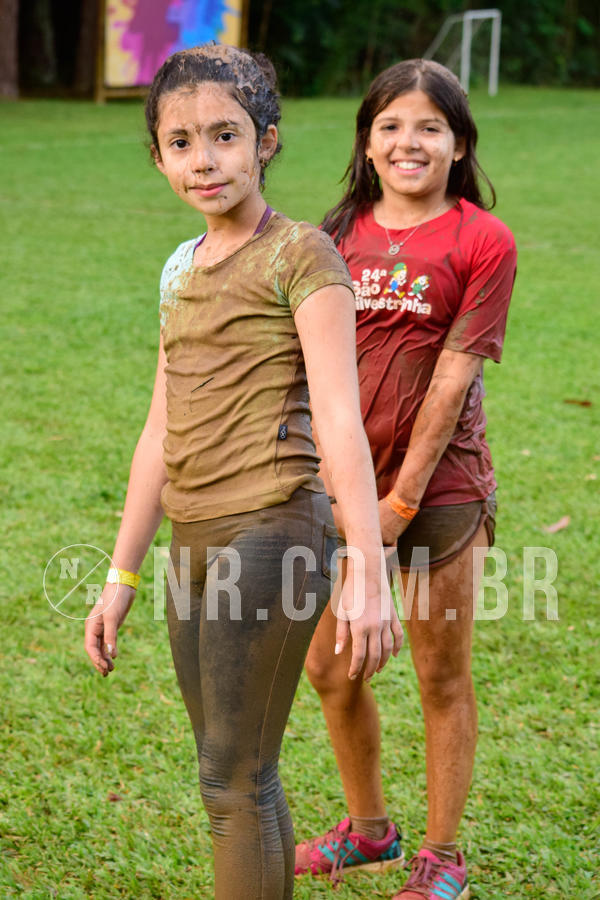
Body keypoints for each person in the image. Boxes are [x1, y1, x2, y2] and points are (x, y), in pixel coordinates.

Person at [83, 44, 403, 900]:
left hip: (273, 526)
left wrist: (367, 570)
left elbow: (341, 420)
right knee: (234, 771)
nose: (204, 159)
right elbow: (160, 424)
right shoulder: (180, 269)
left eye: (225, 135)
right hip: (192, 532)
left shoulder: (304, 257)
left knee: (234, 774)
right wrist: (122, 572)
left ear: (265, 140)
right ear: (157, 156)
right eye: (181, 142)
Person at [294, 59, 517, 900]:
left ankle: (442, 857)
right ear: (368, 140)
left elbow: (454, 379)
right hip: (345, 481)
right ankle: (369, 830)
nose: (408, 141)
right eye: (390, 124)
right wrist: (343, 494)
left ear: (459, 143)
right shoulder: (338, 229)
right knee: (329, 665)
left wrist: (397, 507)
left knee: (439, 675)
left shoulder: (482, 240)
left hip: (440, 491)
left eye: (429, 126)